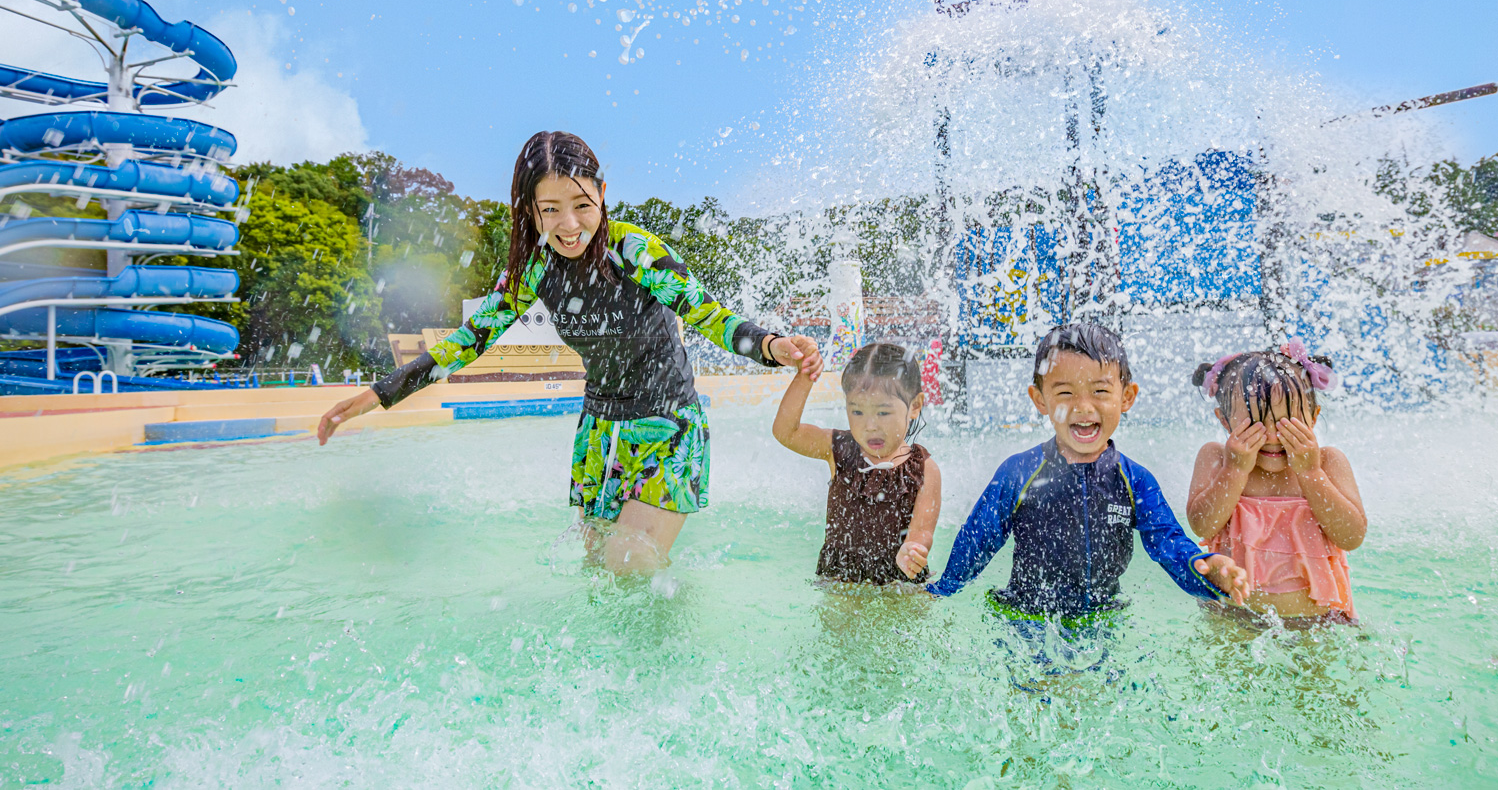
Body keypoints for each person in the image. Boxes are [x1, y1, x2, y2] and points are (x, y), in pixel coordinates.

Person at [315, 130, 822, 574]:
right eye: (550, 210)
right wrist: (379, 395)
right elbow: (470, 340)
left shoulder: (634, 252)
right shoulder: (535, 267)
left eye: (581, 204)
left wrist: (772, 346)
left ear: (603, 193)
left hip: (667, 425)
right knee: (599, 576)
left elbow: (707, 313)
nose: (569, 225)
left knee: (632, 568)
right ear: (531, 211)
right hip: (599, 433)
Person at [926, 324, 1250, 640]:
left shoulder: (1135, 480)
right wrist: (940, 592)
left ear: (1127, 396)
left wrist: (1205, 570)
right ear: (1040, 400)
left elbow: (1168, 543)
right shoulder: (1020, 472)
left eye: (1100, 391)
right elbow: (977, 539)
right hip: (1028, 620)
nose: (1083, 407)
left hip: (1102, 620)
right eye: (1065, 392)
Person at [1183, 342, 1365, 624]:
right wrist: (1234, 470)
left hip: (1318, 624)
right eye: (1255, 423)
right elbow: (1202, 525)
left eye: (1286, 422)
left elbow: (1352, 537)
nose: (1272, 436)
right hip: (1235, 618)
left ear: (1313, 418)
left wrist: (1310, 473)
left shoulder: (1328, 463)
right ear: (1225, 421)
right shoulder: (1217, 459)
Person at [771, 342, 941, 587]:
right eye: (858, 412)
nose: (870, 425)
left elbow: (922, 530)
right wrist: (805, 377)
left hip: (898, 583)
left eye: (883, 413)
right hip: (842, 581)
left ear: (914, 406)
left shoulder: (924, 469)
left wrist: (914, 548)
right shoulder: (838, 449)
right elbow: (786, 432)